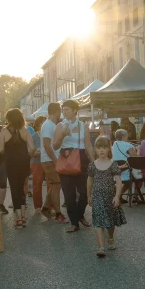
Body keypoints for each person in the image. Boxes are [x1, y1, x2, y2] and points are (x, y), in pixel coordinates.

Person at [53, 100, 96, 233]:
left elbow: (88, 144)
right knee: (68, 193)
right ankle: (74, 222)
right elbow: (55, 145)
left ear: (74, 110)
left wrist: (94, 162)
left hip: (81, 158)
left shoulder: (83, 125)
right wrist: (62, 134)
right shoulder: (60, 125)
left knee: (84, 192)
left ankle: (78, 215)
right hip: (66, 158)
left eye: (67, 109)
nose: (64, 112)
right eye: (63, 109)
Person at [87, 136, 126, 258]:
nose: (102, 150)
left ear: (109, 149)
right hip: (97, 196)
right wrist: (88, 195)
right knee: (98, 221)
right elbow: (89, 181)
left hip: (110, 197)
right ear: (95, 150)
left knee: (110, 221)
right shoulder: (92, 165)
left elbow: (119, 182)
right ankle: (101, 247)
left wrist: (117, 196)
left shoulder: (113, 164)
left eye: (104, 147)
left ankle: (110, 237)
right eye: (99, 148)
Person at [0, 108, 35, 228]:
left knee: (14, 189)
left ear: (8, 118)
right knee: (21, 188)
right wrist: (28, 154)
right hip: (24, 163)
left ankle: (19, 218)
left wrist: (7, 151)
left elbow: (0, 149)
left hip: (11, 163)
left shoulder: (4, 131)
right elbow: (32, 148)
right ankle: (23, 215)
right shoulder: (25, 130)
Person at [40, 103, 66, 223]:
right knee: (56, 186)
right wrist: (56, 161)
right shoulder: (48, 125)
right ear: (57, 111)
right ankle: (58, 213)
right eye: (60, 111)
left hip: (51, 159)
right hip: (50, 160)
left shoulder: (51, 125)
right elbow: (46, 145)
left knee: (55, 185)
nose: (61, 113)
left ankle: (45, 208)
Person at [112, 129, 143, 204]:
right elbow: (135, 158)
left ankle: (119, 195)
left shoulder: (114, 145)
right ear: (123, 136)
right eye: (126, 135)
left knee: (129, 182)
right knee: (139, 178)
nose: (127, 137)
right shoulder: (128, 145)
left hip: (116, 173)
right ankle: (135, 196)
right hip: (127, 171)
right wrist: (139, 150)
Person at [29, 116, 47, 215]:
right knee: (37, 184)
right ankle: (38, 206)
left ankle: (50, 205)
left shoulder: (50, 135)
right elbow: (30, 152)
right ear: (38, 125)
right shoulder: (34, 136)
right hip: (37, 162)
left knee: (51, 184)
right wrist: (35, 152)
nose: (44, 125)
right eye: (42, 123)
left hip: (48, 161)